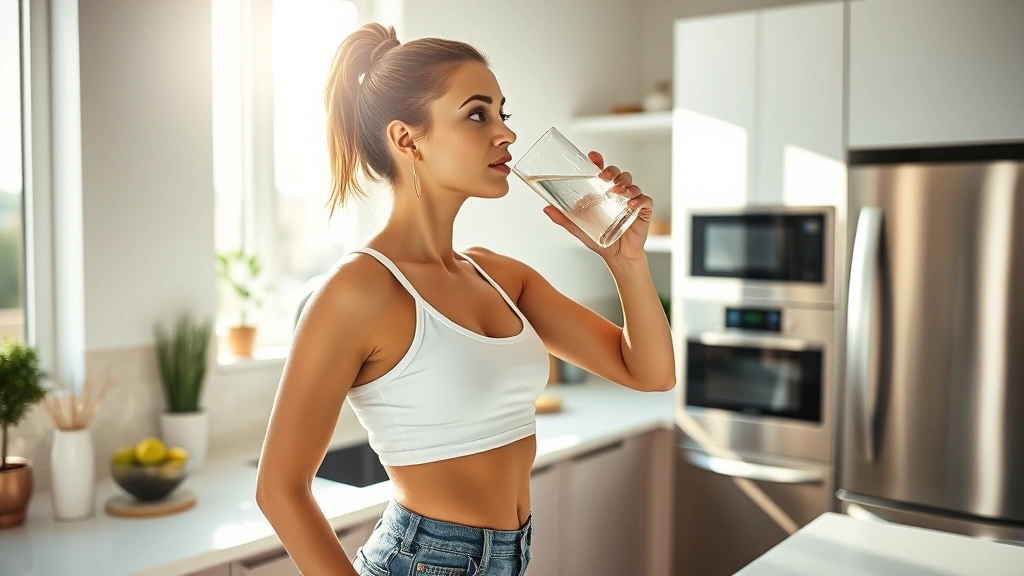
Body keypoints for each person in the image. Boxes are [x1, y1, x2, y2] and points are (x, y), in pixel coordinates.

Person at [255, 22, 676, 576]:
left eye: (504, 113)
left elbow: (649, 373)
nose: (505, 134)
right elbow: (280, 489)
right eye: (478, 114)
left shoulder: (501, 276)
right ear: (408, 140)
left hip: (512, 557)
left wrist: (624, 261)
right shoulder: (358, 290)